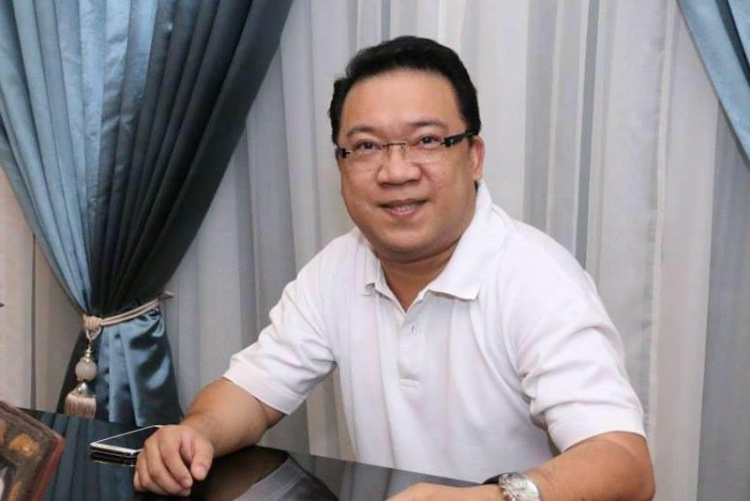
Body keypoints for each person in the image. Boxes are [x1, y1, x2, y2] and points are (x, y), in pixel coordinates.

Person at [134, 36, 655, 500]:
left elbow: (624, 462)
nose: (396, 171)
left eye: (427, 140)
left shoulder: (537, 278)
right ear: (340, 166)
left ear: (473, 156)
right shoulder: (337, 267)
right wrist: (196, 433)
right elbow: (251, 395)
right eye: (365, 147)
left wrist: (495, 498)